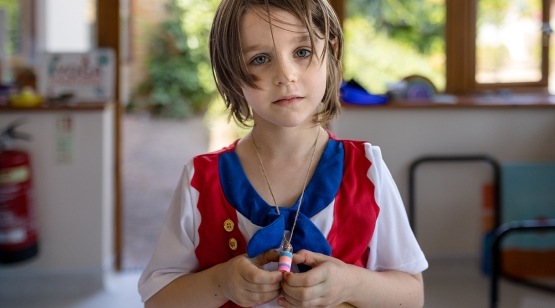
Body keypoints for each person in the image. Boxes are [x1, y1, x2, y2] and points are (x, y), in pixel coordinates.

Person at [138, 0, 428, 307]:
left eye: (302, 52)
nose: (286, 75)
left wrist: (351, 285)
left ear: (330, 52)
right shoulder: (199, 180)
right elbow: (157, 299)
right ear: (232, 73)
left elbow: (411, 296)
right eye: (260, 58)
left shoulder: (368, 169)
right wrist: (219, 282)